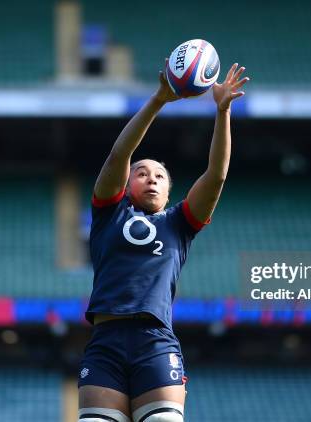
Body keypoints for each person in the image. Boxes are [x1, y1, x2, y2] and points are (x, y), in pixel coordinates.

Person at [78, 60, 249, 422]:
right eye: (141, 173)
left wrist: (222, 112)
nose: (151, 178)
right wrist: (158, 100)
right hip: (105, 343)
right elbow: (117, 155)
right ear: (127, 185)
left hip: (155, 343)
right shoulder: (109, 212)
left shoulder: (180, 223)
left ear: (170, 190)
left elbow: (216, 176)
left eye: (159, 175)